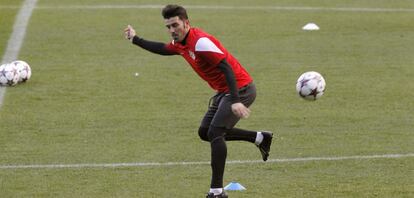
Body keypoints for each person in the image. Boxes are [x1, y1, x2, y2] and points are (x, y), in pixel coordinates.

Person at [124, 4, 273, 198]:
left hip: (241, 89)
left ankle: (217, 191)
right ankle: (260, 138)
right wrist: (135, 39)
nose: (171, 30)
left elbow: (227, 68)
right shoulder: (180, 43)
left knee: (216, 132)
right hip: (225, 91)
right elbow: (162, 48)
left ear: (186, 23)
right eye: (168, 27)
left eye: (175, 25)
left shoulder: (200, 42)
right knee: (205, 132)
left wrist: (236, 100)